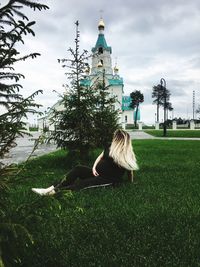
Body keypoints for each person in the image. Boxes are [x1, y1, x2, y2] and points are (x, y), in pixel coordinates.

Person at [31, 129, 139, 196]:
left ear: (119, 139)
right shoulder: (109, 146)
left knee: (82, 184)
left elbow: (130, 170)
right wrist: (93, 168)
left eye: (115, 137)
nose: (113, 138)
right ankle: (50, 188)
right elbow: (100, 157)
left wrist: (131, 182)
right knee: (78, 168)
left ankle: (53, 193)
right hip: (97, 173)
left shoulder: (126, 154)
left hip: (107, 180)